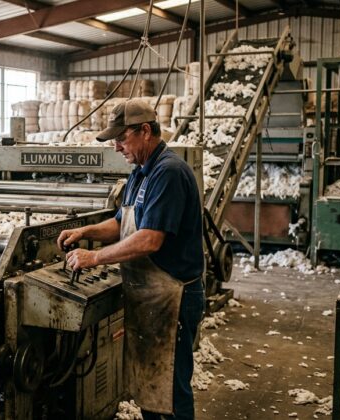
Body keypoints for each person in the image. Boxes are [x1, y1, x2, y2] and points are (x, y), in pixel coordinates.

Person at [57, 98, 205, 420]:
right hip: (152, 297)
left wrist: (95, 257)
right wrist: (85, 232)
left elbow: (150, 239)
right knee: (152, 388)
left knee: (171, 394)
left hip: (173, 298)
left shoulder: (168, 173)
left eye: (122, 138)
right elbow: (123, 223)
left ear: (146, 131)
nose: (116, 147)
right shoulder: (141, 172)